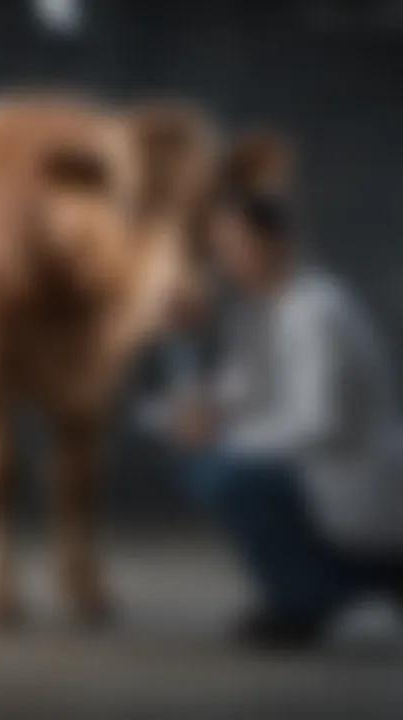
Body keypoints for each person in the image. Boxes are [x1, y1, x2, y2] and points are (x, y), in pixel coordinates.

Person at [148, 137, 403, 650]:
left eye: (232, 249)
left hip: (349, 476)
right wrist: (183, 352)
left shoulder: (317, 310)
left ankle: (314, 597)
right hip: (313, 473)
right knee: (209, 460)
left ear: (274, 243)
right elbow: (228, 394)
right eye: (219, 253)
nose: (223, 264)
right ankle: (328, 585)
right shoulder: (260, 311)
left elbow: (319, 422)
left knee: (226, 472)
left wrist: (221, 433)